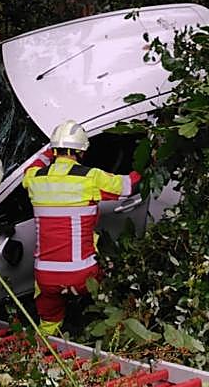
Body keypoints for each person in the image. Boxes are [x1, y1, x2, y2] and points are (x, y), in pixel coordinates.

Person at [22, 120, 141, 336]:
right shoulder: (90, 177)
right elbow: (130, 186)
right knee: (106, 268)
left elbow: (33, 166)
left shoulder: (34, 179)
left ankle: (47, 344)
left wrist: (49, 151)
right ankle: (110, 327)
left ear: (54, 150)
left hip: (46, 277)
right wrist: (148, 161)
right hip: (82, 275)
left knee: (48, 320)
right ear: (82, 151)